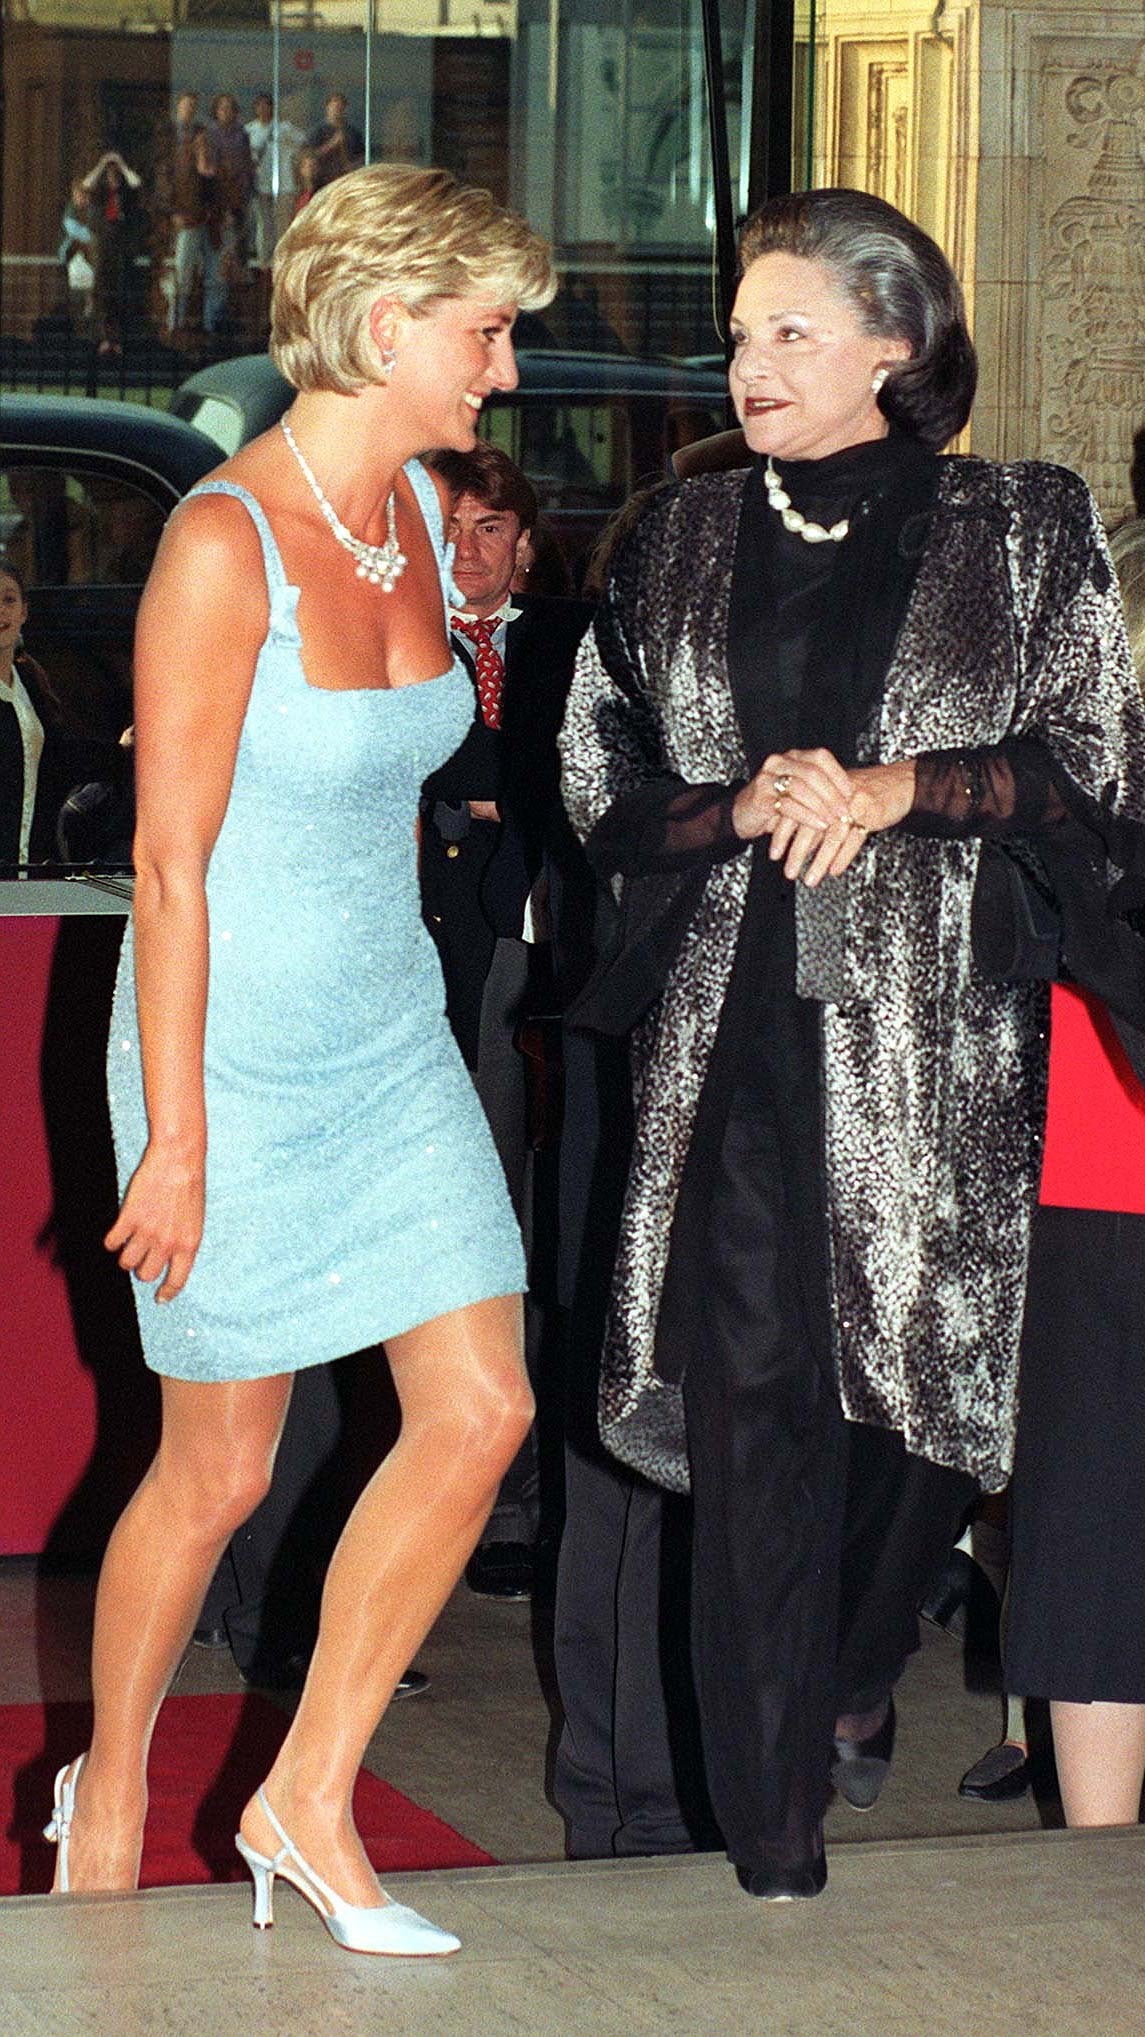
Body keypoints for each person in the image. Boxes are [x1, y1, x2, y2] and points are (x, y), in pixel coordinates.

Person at [557, 186, 1145, 1900]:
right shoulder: (675, 540)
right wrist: (736, 803)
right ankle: (770, 1841)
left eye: (792, 330)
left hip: (940, 1059)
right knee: (751, 1421)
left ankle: (833, 1681)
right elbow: (598, 781)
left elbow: (1088, 761)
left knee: (909, 1439)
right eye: (740, 333)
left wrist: (896, 790)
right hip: (728, 1051)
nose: (749, 363)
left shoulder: (1022, 526)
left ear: (901, 346)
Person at [43, 162, 555, 1959]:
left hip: (390, 1035)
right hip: (228, 1050)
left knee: (483, 1407)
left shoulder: (422, 512)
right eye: (486, 327)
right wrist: (173, 1144)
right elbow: (169, 870)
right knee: (220, 1471)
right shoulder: (219, 542)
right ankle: (108, 1786)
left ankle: (307, 1790)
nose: (503, 363)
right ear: (388, 319)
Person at [421, 442, 591, 1596]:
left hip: (552, 977)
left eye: (492, 529)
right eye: (453, 529)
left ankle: (520, 1505)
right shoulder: (392, 641)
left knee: (534, 1241)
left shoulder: (568, 643)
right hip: (436, 968)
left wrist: (500, 776)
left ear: (524, 544)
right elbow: (454, 759)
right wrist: (496, 772)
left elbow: (558, 770)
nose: (471, 551)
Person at [1000, 510, 1145, 1829]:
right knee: (1095, 1529)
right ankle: (1094, 1868)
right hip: (1102, 1162)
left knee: (1097, 1525)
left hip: (1096, 1167)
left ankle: (1096, 1869)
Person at [164, 93, 222, 334]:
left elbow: (218, 188)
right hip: (187, 221)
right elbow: (168, 186)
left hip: (210, 223)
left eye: (193, 107)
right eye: (186, 106)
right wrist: (173, 213)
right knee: (182, 277)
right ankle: (174, 323)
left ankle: (211, 325)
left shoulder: (212, 162)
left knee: (214, 278)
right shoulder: (175, 151)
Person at [80, 148, 145, 355]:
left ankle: (117, 340)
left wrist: (122, 166)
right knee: (102, 292)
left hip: (120, 245)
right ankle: (102, 339)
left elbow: (137, 183)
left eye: (114, 174)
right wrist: (101, 165)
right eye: (110, 174)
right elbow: (86, 184)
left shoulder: (126, 193)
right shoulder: (100, 194)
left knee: (121, 291)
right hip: (103, 244)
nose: (112, 177)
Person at [245, 92, 306, 265]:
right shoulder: (249, 130)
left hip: (284, 185)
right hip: (260, 185)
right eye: (260, 105)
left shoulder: (285, 129)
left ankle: (283, 262)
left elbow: (304, 145)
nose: (264, 109)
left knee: (283, 226)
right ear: (256, 109)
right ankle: (264, 262)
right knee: (263, 227)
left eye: (267, 105)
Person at [309, 92, 364, 189]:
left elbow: (362, 156)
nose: (337, 108)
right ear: (327, 107)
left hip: (346, 179)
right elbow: (310, 157)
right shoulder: (318, 132)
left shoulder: (353, 132)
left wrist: (353, 166)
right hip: (323, 180)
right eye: (334, 104)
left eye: (341, 106)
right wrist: (331, 144)